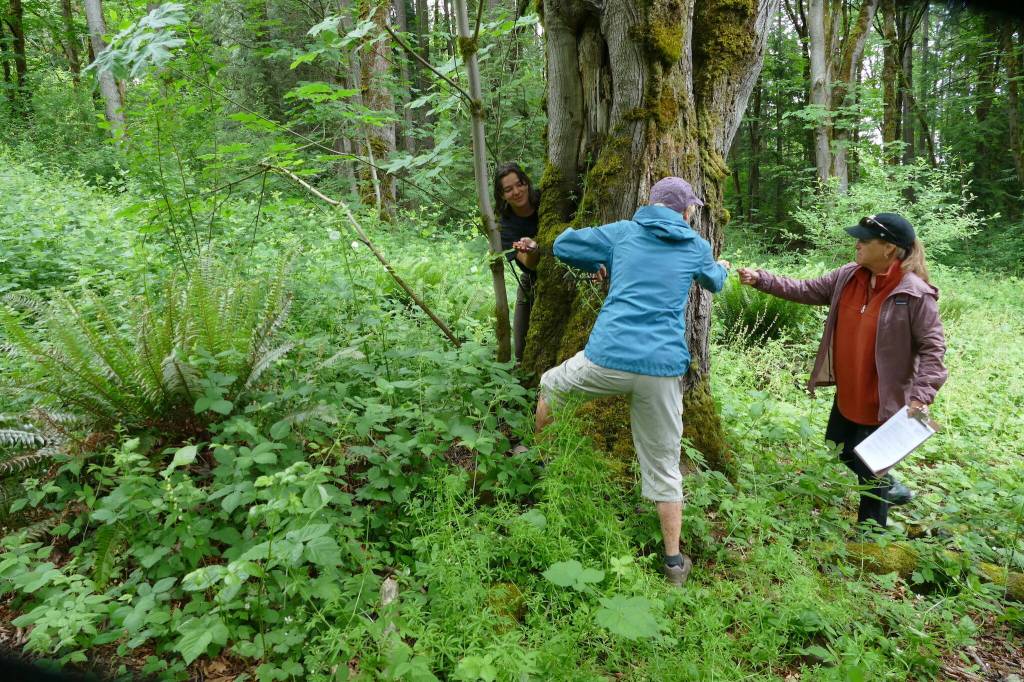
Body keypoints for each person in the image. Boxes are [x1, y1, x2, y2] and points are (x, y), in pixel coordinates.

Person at [517, 177, 730, 587]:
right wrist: (720, 267)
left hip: (607, 359)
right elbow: (714, 283)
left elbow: (563, 245)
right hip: (661, 370)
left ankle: (543, 465)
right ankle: (672, 562)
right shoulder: (695, 246)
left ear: (649, 203)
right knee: (665, 465)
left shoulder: (622, 233)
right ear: (686, 212)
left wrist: (603, 261)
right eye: (692, 210)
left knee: (551, 384)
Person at [737, 213, 948, 531]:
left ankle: (870, 536)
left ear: (889, 248)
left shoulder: (915, 294)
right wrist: (761, 279)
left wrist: (921, 397)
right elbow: (805, 289)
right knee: (839, 445)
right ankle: (891, 488)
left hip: (882, 400)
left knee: (871, 470)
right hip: (849, 391)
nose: (857, 243)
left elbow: (934, 350)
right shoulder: (848, 276)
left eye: (865, 239)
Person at [494, 163, 541, 362]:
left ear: (526, 183)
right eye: (508, 189)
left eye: (519, 184)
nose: (516, 192)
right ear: (502, 195)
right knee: (521, 348)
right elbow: (528, 265)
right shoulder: (506, 225)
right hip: (531, 279)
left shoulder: (545, 200)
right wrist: (531, 250)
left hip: (565, 271)